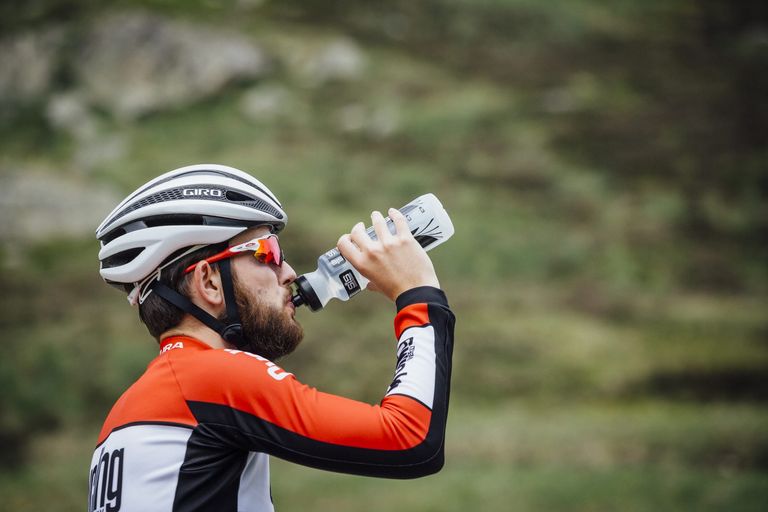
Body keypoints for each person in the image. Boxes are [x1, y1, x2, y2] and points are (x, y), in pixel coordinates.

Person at [89, 163, 456, 511]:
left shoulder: (125, 413)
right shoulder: (209, 378)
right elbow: (411, 437)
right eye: (268, 253)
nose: (289, 272)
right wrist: (417, 292)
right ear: (209, 282)